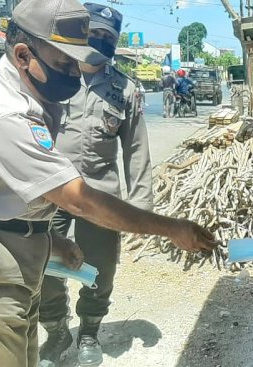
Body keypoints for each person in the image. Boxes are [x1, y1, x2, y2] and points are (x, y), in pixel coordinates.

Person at [0, 1, 216, 366]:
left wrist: (49, 239)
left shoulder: (31, 89)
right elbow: (78, 200)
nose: (74, 74)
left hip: (6, 242)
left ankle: (86, 329)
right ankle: (58, 329)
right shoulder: (5, 112)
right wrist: (170, 228)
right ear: (24, 54)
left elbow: (9, 193)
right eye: (63, 64)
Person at [37, 4, 152, 366]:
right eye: (95, 33)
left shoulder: (125, 89)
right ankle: (56, 331)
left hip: (101, 195)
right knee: (43, 265)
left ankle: (89, 333)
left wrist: (141, 209)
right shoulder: (55, 77)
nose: (100, 42)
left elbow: (136, 149)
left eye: (108, 37)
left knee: (100, 268)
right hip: (51, 193)